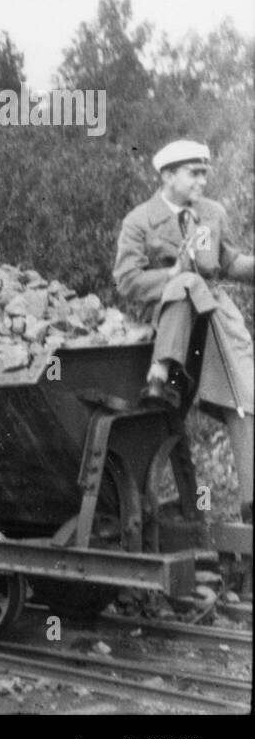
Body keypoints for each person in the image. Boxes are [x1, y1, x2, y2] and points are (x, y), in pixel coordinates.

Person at [113, 139, 254, 524]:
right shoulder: (139, 220)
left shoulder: (212, 213)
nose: (203, 181)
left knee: (247, 401)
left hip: (216, 319)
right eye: (194, 173)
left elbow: (227, 261)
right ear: (168, 176)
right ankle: (161, 371)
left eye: (205, 172)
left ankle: (250, 505)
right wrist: (171, 276)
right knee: (183, 284)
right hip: (170, 317)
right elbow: (127, 281)